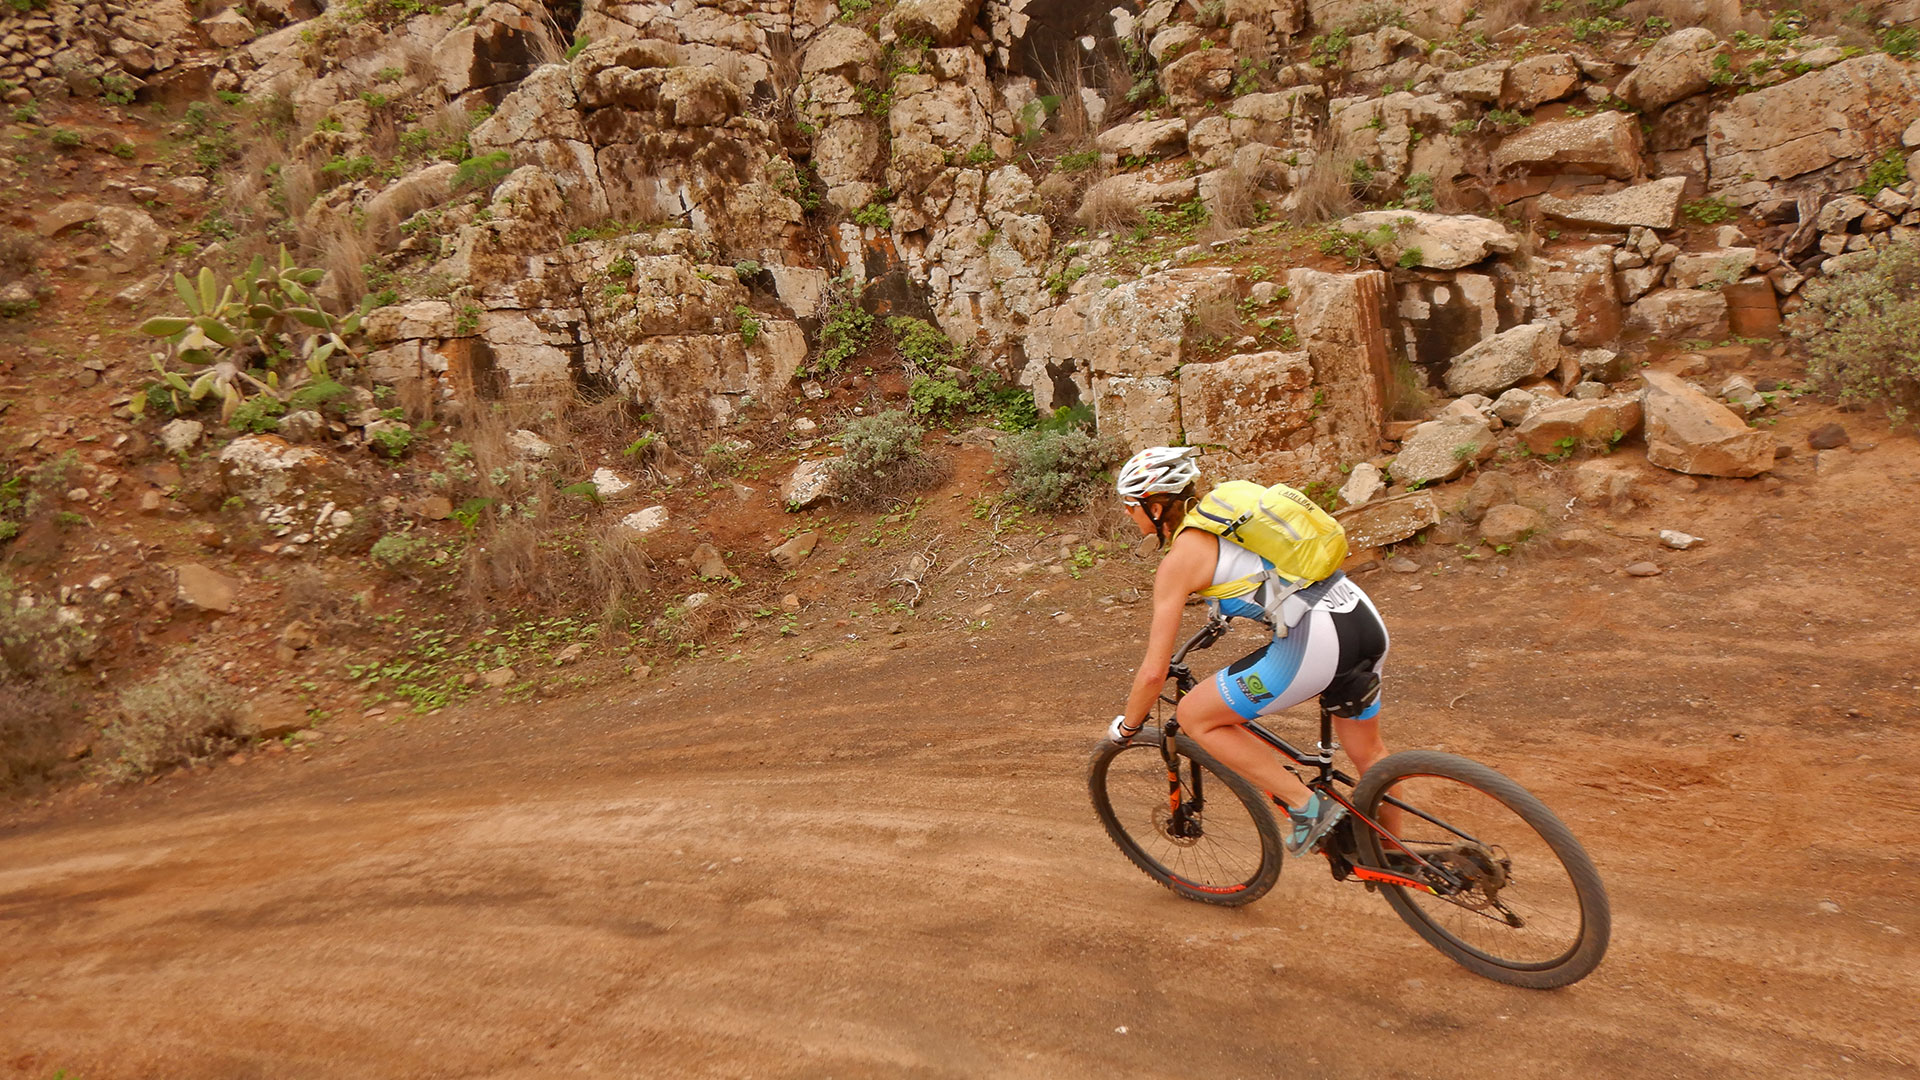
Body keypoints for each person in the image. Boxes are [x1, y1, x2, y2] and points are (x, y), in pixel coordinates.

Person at [1105, 445, 1397, 856]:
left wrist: (1128, 728)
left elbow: (1154, 673)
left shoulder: (1179, 562)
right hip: (1360, 615)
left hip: (1318, 640)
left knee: (1194, 716)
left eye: (1129, 505)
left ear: (1154, 506)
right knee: (1371, 755)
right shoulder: (1231, 517)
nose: (1127, 514)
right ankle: (1400, 858)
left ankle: (1305, 807)